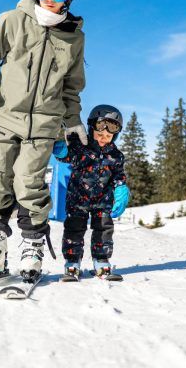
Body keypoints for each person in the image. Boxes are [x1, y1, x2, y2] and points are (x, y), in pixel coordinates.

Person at [0, 0, 86, 281]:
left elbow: (72, 87)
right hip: (4, 119)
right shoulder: (12, 20)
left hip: (44, 125)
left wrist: (73, 123)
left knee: (29, 183)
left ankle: (32, 247)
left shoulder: (73, 36)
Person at [54, 105, 128, 278]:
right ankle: (72, 263)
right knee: (74, 230)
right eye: (100, 134)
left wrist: (121, 188)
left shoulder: (116, 155)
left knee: (104, 230)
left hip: (103, 201)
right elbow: (65, 156)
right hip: (77, 200)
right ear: (91, 129)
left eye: (109, 136)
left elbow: (119, 175)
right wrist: (61, 148)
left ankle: (101, 262)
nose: (104, 139)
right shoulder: (80, 146)